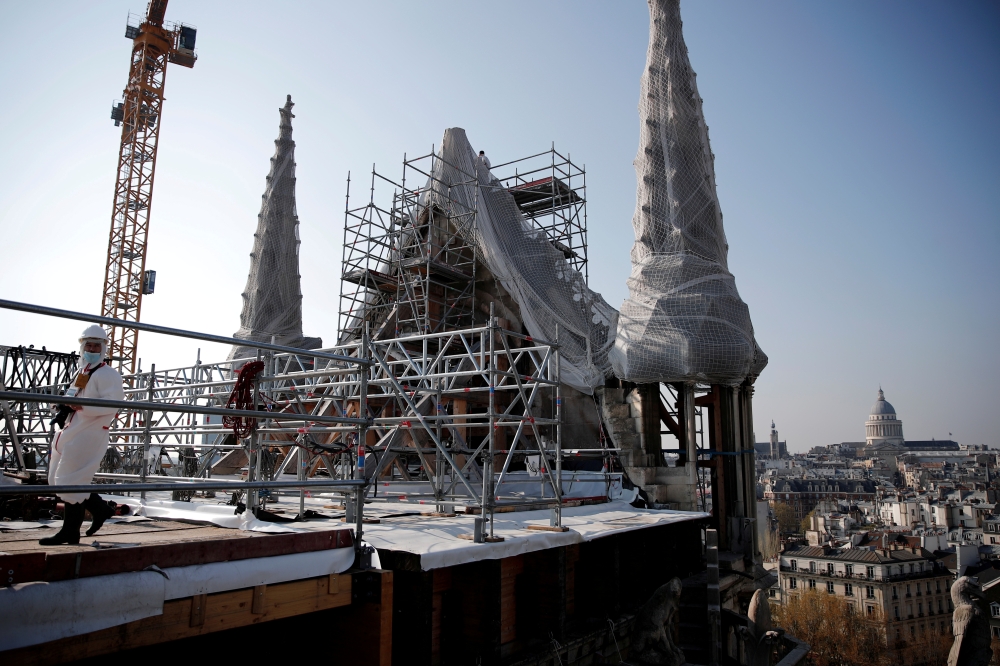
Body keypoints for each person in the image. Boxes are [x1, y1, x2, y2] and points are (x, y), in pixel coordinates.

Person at [39, 325, 125, 546]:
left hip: (89, 433)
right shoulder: (84, 371)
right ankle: (99, 509)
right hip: (73, 429)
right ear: (82, 346)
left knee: (70, 481)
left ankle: (70, 532)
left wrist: (83, 406)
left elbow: (113, 404)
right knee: (59, 480)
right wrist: (64, 409)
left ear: (104, 348)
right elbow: (75, 395)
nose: (93, 348)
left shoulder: (107, 374)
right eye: (89, 345)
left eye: (97, 345)